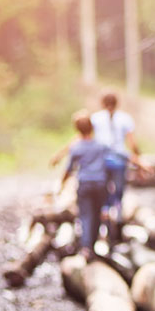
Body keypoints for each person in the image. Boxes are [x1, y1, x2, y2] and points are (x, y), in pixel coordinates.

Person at [90, 92, 141, 242]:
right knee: (118, 194)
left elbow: (88, 138)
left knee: (104, 195)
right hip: (119, 161)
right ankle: (117, 228)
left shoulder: (95, 118)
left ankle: (104, 224)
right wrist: (138, 159)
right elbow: (132, 142)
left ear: (102, 103)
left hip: (101, 162)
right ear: (117, 103)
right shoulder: (125, 118)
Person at [61, 111, 108, 261]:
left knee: (86, 215)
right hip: (100, 184)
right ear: (92, 127)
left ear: (77, 129)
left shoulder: (76, 147)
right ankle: (93, 246)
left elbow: (68, 169)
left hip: (85, 184)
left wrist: (62, 185)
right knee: (97, 214)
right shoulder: (100, 145)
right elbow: (116, 157)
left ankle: (86, 248)